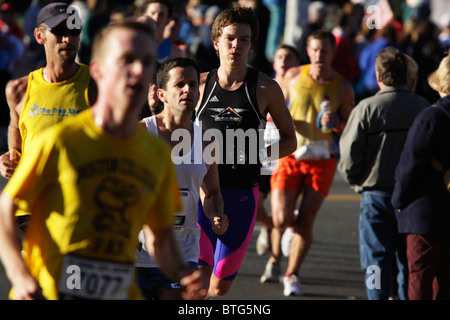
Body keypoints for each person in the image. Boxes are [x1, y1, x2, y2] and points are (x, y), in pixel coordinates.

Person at [0, 19, 207, 300]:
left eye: (146, 62)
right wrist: (20, 276)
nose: (138, 70)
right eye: (126, 60)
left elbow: (159, 236)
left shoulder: (156, 152)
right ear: (97, 70)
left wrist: (182, 273)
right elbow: (6, 209)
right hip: (54, 292)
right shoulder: (63, 141)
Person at [194, 3, 297, 298]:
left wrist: (259, 154)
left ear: (252, 45)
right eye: (230, 38)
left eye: (244, 39)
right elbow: (175, 130)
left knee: (219, 288)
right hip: (202, 194)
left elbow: (290, 140)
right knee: (198, 281)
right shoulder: (199, 85)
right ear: (216, 43)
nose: (236, 45)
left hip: (242, 196)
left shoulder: (265, 88)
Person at [265, 30, 354, 296]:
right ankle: (287, 235)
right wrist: (283, 124)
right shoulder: (293, 77)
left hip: (322, 161)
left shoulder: (343, 87)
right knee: (280, 218)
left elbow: (349, 127)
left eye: (324, 50)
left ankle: (291, 274)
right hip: (290, 156)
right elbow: (271, 112)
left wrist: (336, 123)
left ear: (333, 52)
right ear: (308, 50)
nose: (319, 56)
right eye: (314, 50)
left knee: (306, 222)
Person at [338, 47, 429, 300]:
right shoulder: (422, 107)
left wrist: (356, 179)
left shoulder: (366, 108)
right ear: (405, 75)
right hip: (413, 196)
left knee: (375, 260)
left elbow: (349, 156)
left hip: (376, 193)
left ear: (378, 76)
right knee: (406, 259)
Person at [0, 2, 96, 244]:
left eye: (74, 32)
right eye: (60, 31)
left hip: (79, 207)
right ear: (39, 36)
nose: (68, 39)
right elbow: (16, 126)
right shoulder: (19, 89)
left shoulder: (96, 86)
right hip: (30, 208)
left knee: (70, 280)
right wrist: (12, 153)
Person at [135, 57, 229, 300]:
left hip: (183, 253)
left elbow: (212, 193)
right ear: (162, 94)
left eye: (193, 84)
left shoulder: (207, 142)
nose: (188, 89)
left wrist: (216, 214)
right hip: (137, 253)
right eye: (180, 85)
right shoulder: (140, 134)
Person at [392, 55, 450, 300]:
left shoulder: (432, 117)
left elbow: (410, 166)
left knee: (420, 276)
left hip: (425, 211)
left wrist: (398, 200)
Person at [256, 44, 300, 257]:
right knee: (255, 207)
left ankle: (275, 261)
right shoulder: (264, 86)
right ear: (274, 63)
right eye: (280, 56)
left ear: (297, 64)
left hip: (288, 155)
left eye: (289, 57)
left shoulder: (301, 87)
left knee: (281, 210)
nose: (283, 61)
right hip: (264, 154)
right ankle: (268, 225)